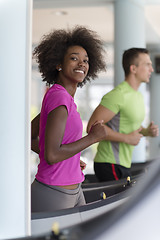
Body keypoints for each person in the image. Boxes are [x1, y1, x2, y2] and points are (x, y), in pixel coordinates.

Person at [31, 25, 108, 212]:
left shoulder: (62, 97)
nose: (82, 64)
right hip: (54, 192)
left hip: (73, 189)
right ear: (58, 63)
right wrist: (92, 138)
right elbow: (52, 155)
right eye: (74, 58)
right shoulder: (60, 98)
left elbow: (29, 136)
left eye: (85, 60)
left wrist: (70, 159)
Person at [87, 48, 159, 182]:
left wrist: (146, 132)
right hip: (109, 163)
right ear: (133, 69)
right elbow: (92, 126)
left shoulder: (137, 95)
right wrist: (126, 138)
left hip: (123, 164)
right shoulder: (118, 95)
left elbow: (127, 126)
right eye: (147, 64)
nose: (152, 69)